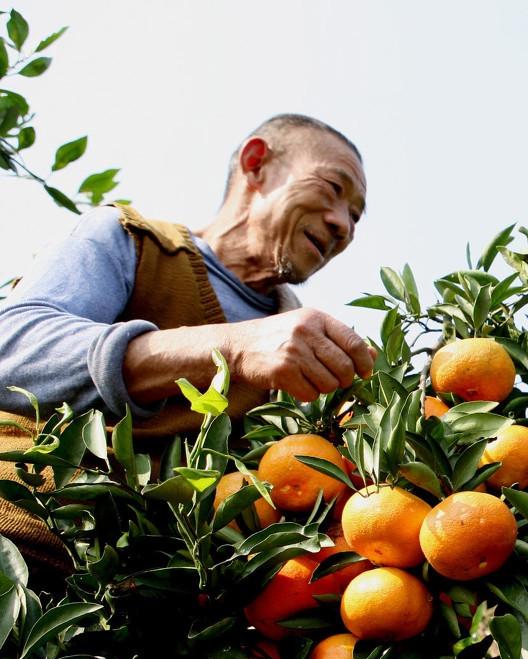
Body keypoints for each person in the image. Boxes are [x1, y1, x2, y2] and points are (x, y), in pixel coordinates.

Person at [0, 113, 374, 581]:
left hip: (135, 625)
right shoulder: (130, 240)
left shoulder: (310, 366)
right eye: (332, 188)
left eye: (355, 216)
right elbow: (10, 350)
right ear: (256, 163)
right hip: (15, 545)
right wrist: (232, 349)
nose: (342, 224)